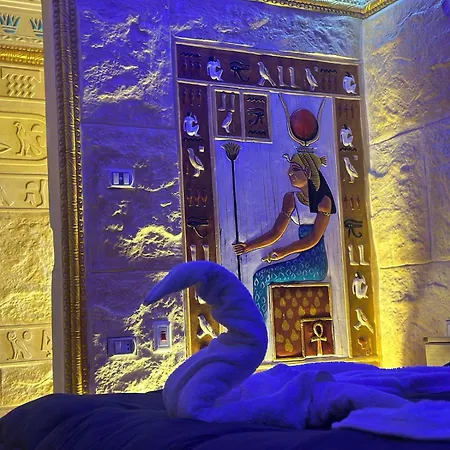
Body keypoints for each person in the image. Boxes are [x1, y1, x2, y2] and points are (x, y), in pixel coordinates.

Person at [233, 148, 336, 319]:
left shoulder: (324, 201)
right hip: (301, 259)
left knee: (261, 277)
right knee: (261, 276)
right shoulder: (291, 198)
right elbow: (276, 232)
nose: (289, 173)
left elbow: (313, 238)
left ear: (308, 172)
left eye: (295, 169)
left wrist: (283, 252)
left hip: (314, 264)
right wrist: (249, 246)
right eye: (290, 169)